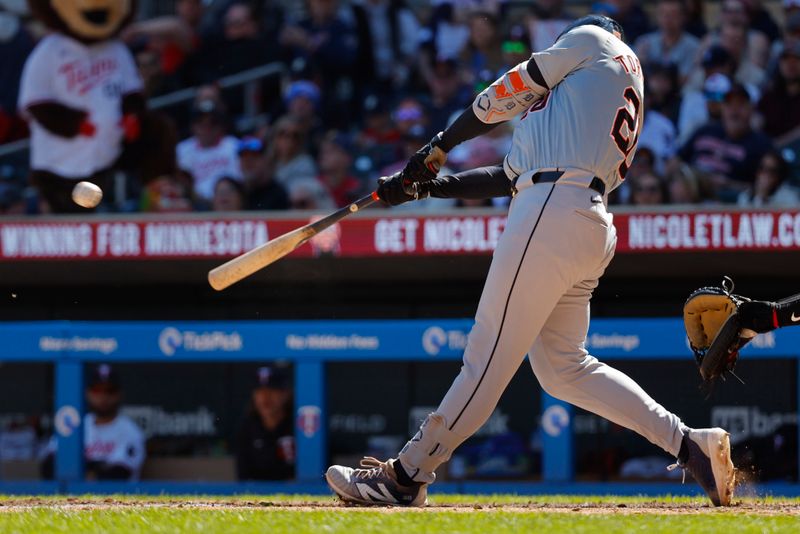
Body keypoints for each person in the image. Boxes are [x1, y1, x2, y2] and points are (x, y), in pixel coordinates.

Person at [325, 15, 735, 507]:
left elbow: (502, 92)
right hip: (584, 218)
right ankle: (689, 444)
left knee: (485, 359)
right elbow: (510, 175)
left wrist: (439, 146)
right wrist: (425, 186)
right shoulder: (591, 98)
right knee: (565, 368)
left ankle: (406, 475)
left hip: (552, 211)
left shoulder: (593, 40)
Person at [41, 364, 146, 480]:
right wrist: (95, 468)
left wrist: (80, 468)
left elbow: (118, 474)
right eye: (97, 390)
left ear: (119, 394)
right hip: (73, 496)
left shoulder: (130, 431)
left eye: (110, 391)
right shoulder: (75, 425)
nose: (103, 396)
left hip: (116, 497)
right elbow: (48, 465)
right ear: (87, 393)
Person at [676, 82, 772, 202]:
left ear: (751, 109)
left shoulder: (761, 144)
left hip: (730, 202)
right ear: (722, 108)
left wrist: (728, 184)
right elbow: (676, 159)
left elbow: (763, 187)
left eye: (740, 105)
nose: (734, 110)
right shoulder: (705, 130)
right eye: (729, 104)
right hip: (691, 191)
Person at [176, 97, 242, 203]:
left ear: (221, 125)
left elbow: (239, 180)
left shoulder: (233, 145)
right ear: (193, 126)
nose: (206, 127)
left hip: (228, 204)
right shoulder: (182, 149)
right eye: (200, 122)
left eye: (212, 122)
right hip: (194, 204)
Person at [235, 366, 294, 480]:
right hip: (256, 495)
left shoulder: (298, 427)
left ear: (285, 394)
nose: (265, 397)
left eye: (271, 390)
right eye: (259, 391)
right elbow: (243, 478)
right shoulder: (247, 428)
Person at [633, 0, 699, 82]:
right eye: (663, 13)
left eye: (673, 14)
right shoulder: (644, 42)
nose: (667, 19)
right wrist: (641, 62)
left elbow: (685, 79)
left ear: (683, 17)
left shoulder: (693, 46)